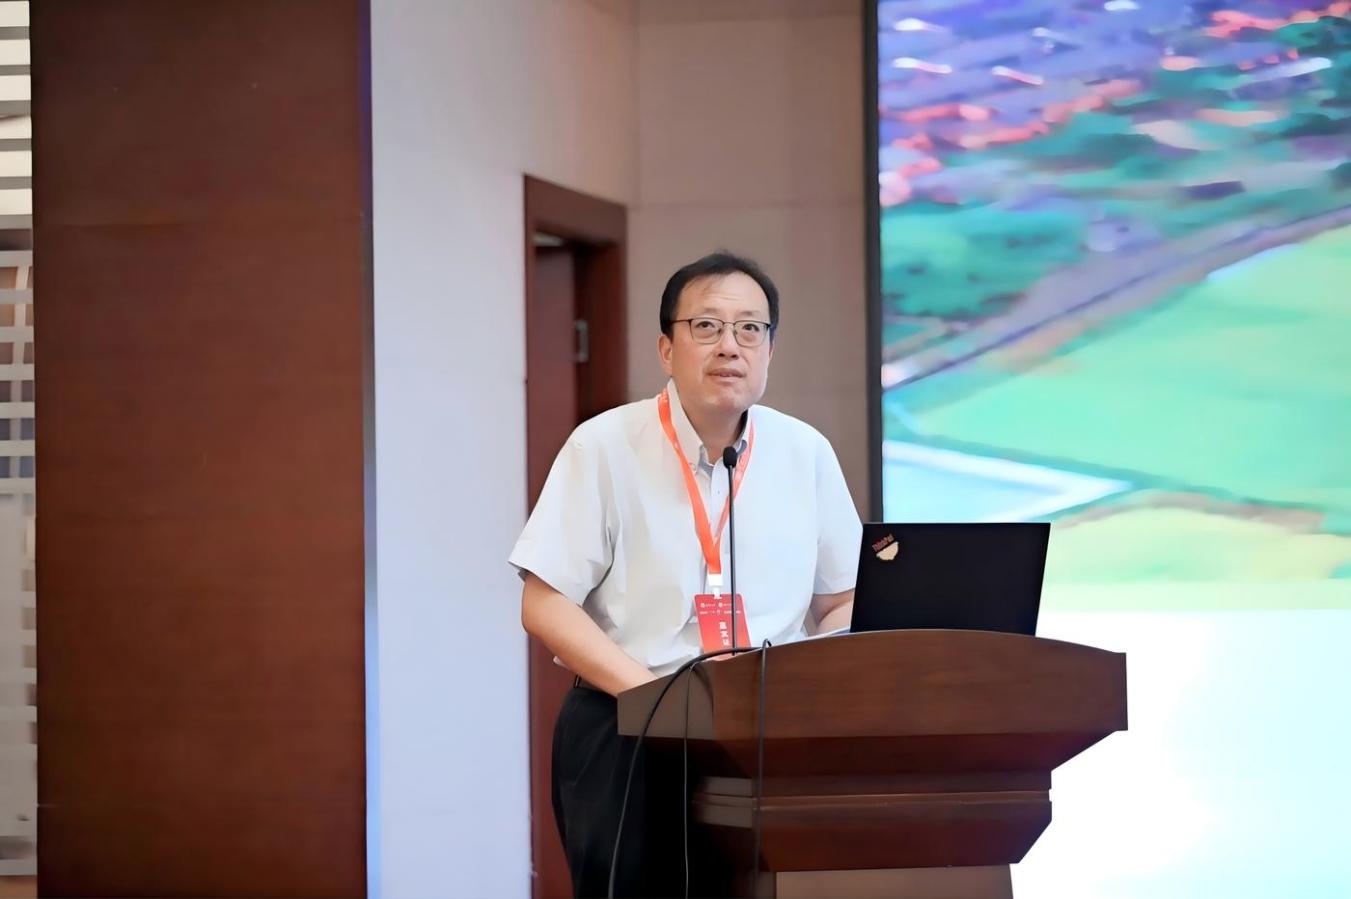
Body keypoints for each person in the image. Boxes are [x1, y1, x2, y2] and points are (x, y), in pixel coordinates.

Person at [509, 251, 862, 897]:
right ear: (666, 348)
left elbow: (841, 596)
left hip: (765, 732)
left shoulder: (804, 451)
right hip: (630, 725)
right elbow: (545, 601)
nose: (730, 346)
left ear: (769, 350)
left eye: (749, 329)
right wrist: (654, 700)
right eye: (707, 326)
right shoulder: (604, 444)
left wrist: (809, 682)